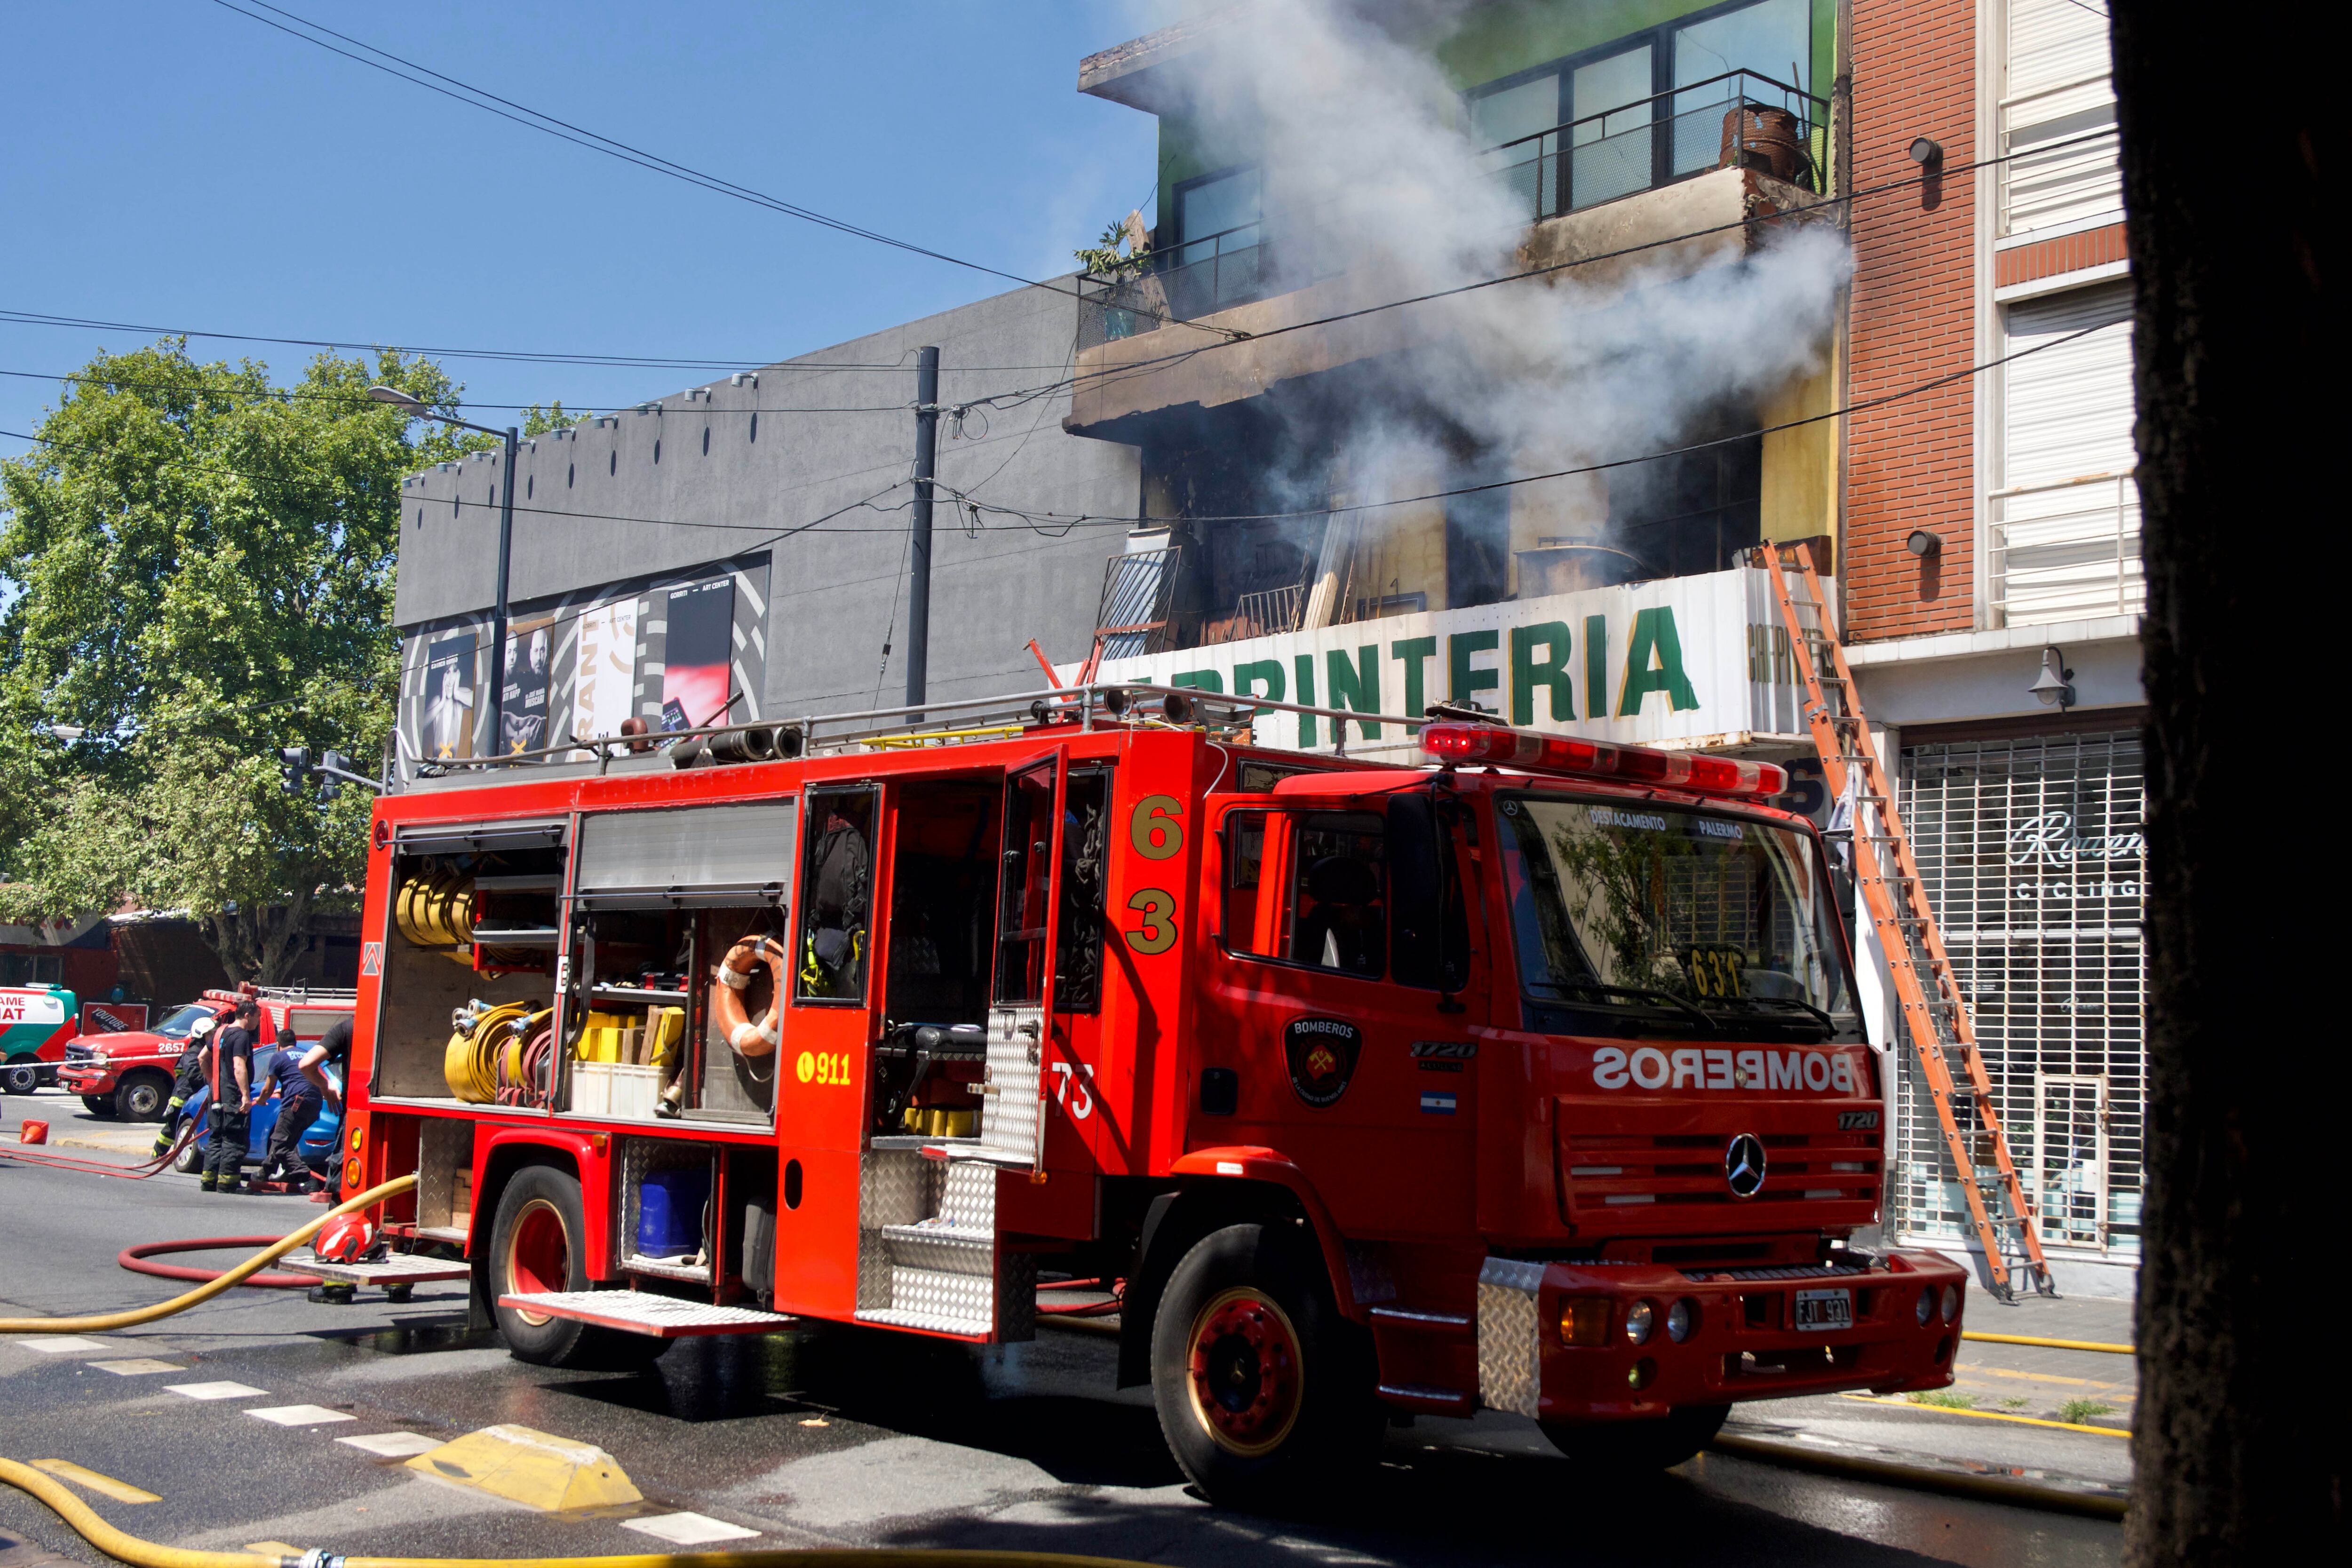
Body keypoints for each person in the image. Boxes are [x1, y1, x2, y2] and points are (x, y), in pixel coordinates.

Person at [202, 999, 260, 1194]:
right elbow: (239, 1067)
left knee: (216, 1138)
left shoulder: (220, 1032)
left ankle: (209, 1181)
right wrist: (245, 1096)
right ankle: (228, 1183)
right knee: (234, 1139)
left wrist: (213, 1083)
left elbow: (202, 1057)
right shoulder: (242, 1036)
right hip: (233, 1097)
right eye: (257, 1017)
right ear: (247, 1016)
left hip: (216, 1096)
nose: (258, 1022)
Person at [258, 1022, 324, 1192]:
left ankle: (307, 1179)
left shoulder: (279, 1056)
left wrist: (261, 1100)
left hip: (297, 1102)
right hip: (315, 1102)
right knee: (286, 1141)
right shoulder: (305, 1054)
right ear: (295, 1043)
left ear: (278, 1045)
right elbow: (302, 1079)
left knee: (281, 1145)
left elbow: (267, 1089)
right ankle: (264, 1173)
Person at [150, 1013, 217, 1159]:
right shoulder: (193, 1054)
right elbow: (195, 1076)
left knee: (186, 1127)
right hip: (183, 1097)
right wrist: (213, 1081)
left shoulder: (206, 1052)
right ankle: (157, 1154)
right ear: (201, 1035)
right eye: (210, 1034)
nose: (213, 1037)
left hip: (194, 1097)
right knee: (173, 1127)